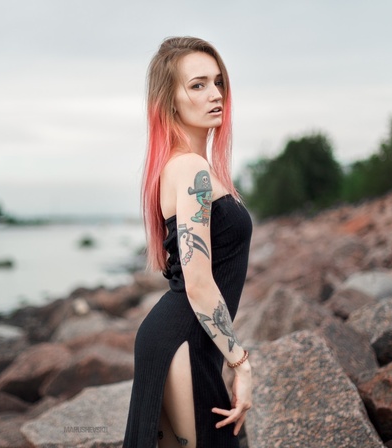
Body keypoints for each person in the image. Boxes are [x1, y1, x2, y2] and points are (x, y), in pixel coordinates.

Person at [123, 36, 253, 448]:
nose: (215, 94)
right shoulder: (190, 169)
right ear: (170, 101)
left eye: (218, 82)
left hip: (183, 338)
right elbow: (196, 282)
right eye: (197, 85)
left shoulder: (191, 168)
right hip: (183, 340)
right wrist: (242, 363)